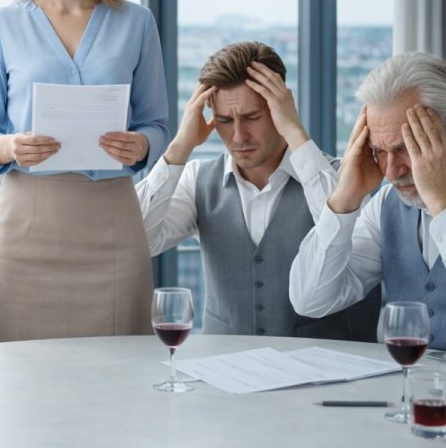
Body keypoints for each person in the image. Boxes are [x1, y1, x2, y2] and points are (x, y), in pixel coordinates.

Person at [0, 0, 169, 347]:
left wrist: (143, 145)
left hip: (111, 225)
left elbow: (157, 124)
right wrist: (8, 145)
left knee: (119, 376)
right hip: (26, 225)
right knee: (16, 379)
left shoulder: (137, 22)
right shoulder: (1, 24)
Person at [136, 41, 379, 340]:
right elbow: (136, 242)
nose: (238, 136)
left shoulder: (346, 179)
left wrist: (295, 133)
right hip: (225, 370)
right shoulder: (198, 179)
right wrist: (179, 146)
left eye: (251, 117)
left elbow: (351, 250)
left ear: (280, 110)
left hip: (325, 373)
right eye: (224, 121)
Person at [289, 52, 446, 361]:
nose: (391, 172)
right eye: (378, 151)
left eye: (406, 149)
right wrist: (345, 198)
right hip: (404, 397)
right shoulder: (387, 204)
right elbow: (310, 300)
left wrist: (444, 203)